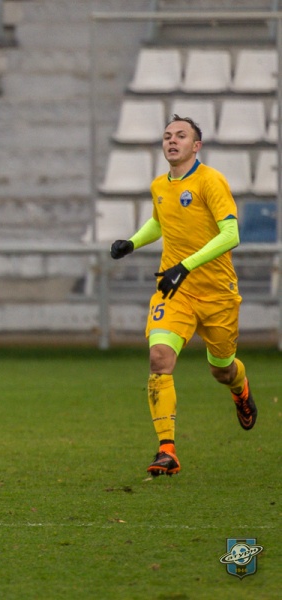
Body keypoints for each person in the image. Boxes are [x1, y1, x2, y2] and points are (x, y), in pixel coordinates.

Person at [110, 114, 257, 477]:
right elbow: (160, 222)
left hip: (217, 293)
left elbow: (231, 235)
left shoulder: (211, 180)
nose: (172, 141)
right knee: (159, 358)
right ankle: (167, 450)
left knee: (221, 369)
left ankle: (240, 389)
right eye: (167, 136)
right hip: (174, 289)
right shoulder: (159, 185)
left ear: (196, 145)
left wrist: (186, 265)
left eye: (180, 135)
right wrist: (132, 242)